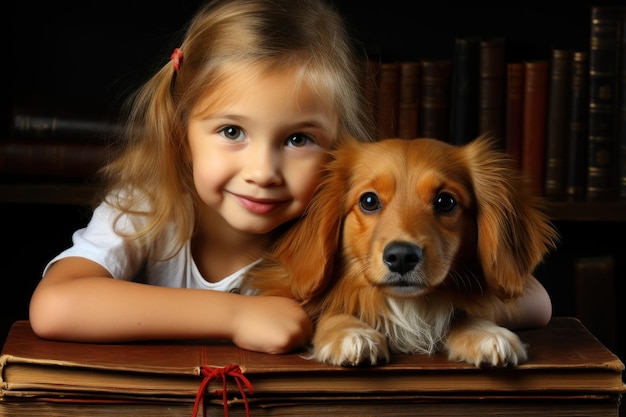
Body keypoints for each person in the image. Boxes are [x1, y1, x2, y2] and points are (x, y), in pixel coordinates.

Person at [28, 0, 552, 355]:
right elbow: (55, 306)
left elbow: (532, 299)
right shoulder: (147, 208)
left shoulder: (334, 220)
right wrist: (235, 319)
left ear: (339, 148)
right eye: (232, 130)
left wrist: (457, 316)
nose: (262, 172)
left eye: (298, 140)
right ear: (179, 128)